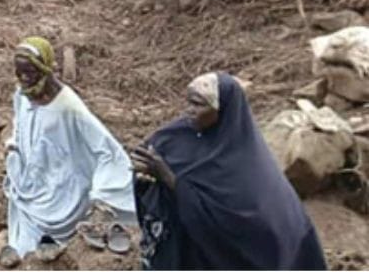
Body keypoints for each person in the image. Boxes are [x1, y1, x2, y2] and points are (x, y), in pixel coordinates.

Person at [131, 73, 326, 271]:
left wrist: (169, 179)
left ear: (222, 110)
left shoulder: (245, 164)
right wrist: (145, 174)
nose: (189, 111)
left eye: (199, 105)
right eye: (189, 102)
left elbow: (238, 224)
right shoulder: (177, 133)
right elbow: (147, 159)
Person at [0, 37, 135, 267]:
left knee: (57, 222)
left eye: (29, 71)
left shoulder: (68, 106)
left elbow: (106, 149)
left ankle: (56, 242)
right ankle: (24, 249)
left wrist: (101, 193)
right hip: (33, 180)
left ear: (45, 68)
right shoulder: (22, 94)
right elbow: (20, 123)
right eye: (19, 72)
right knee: (24, 235)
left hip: (64, 189)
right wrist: (15, 145)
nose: (23, 78)